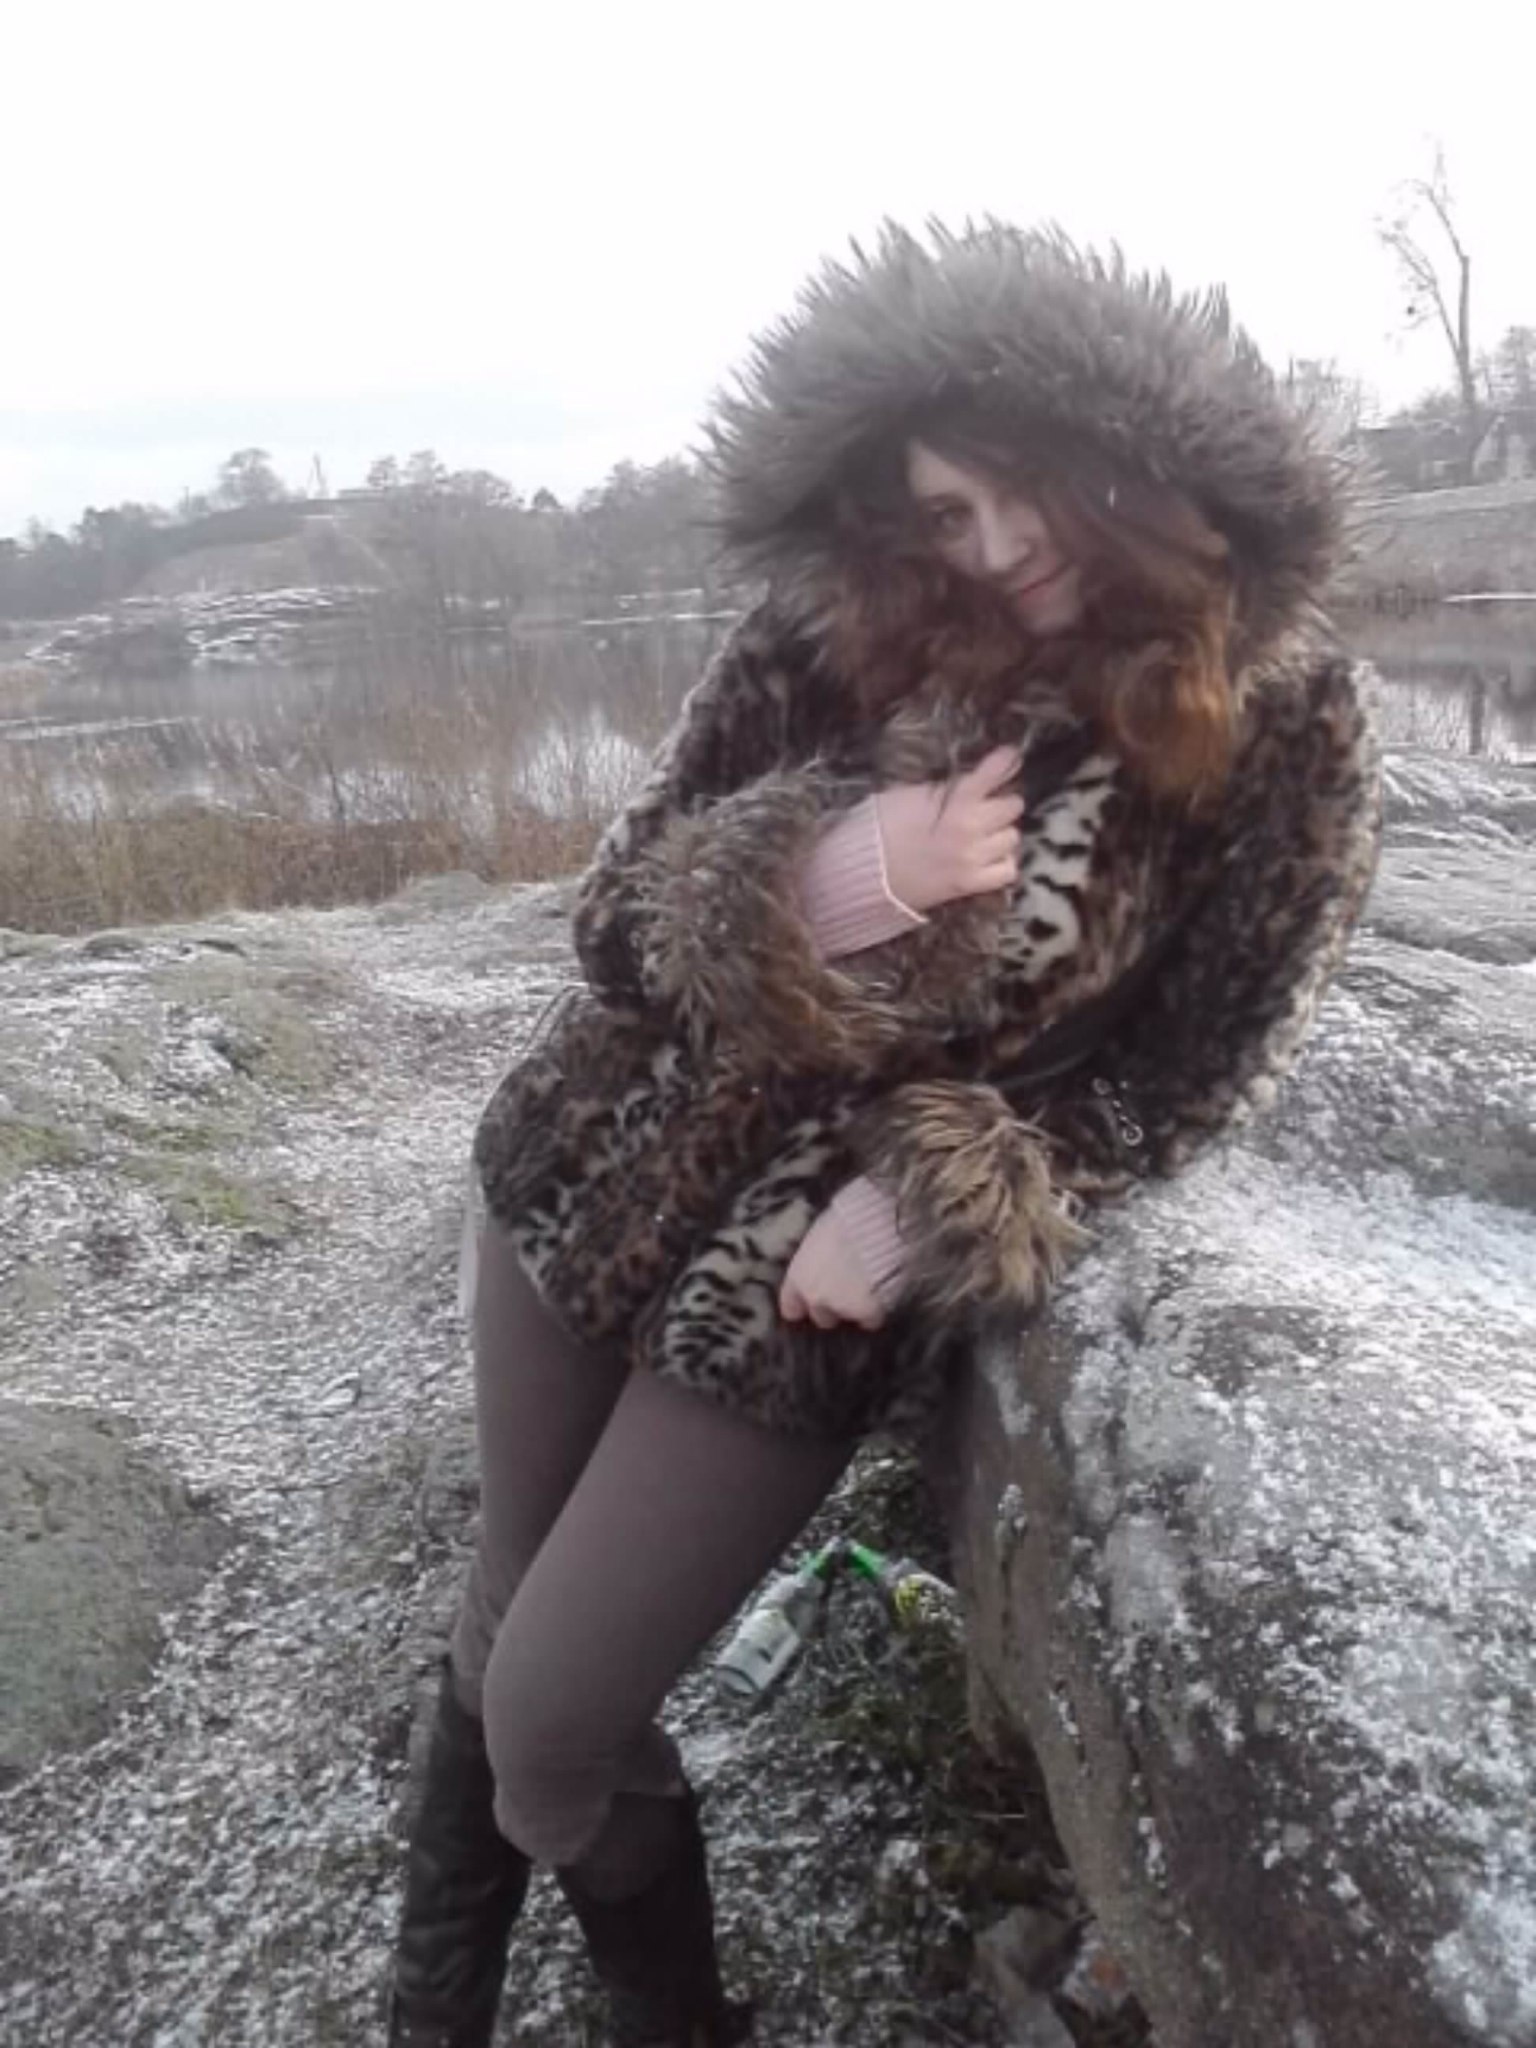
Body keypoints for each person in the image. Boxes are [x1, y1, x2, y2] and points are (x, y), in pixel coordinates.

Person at [386, 221, 1381, 2047]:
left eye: (1014, 493)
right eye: (941, 512)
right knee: (505, 1600)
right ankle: (428, 2004)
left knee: (553, 1716)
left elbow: (1193, 1076)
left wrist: (949, 1200)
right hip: (573, 1172)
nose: (989, 549)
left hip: (791, 1286)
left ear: (1129, 450)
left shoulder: (1285, 724)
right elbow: (612, 923)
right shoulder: (834, 622)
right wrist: (834, 878)